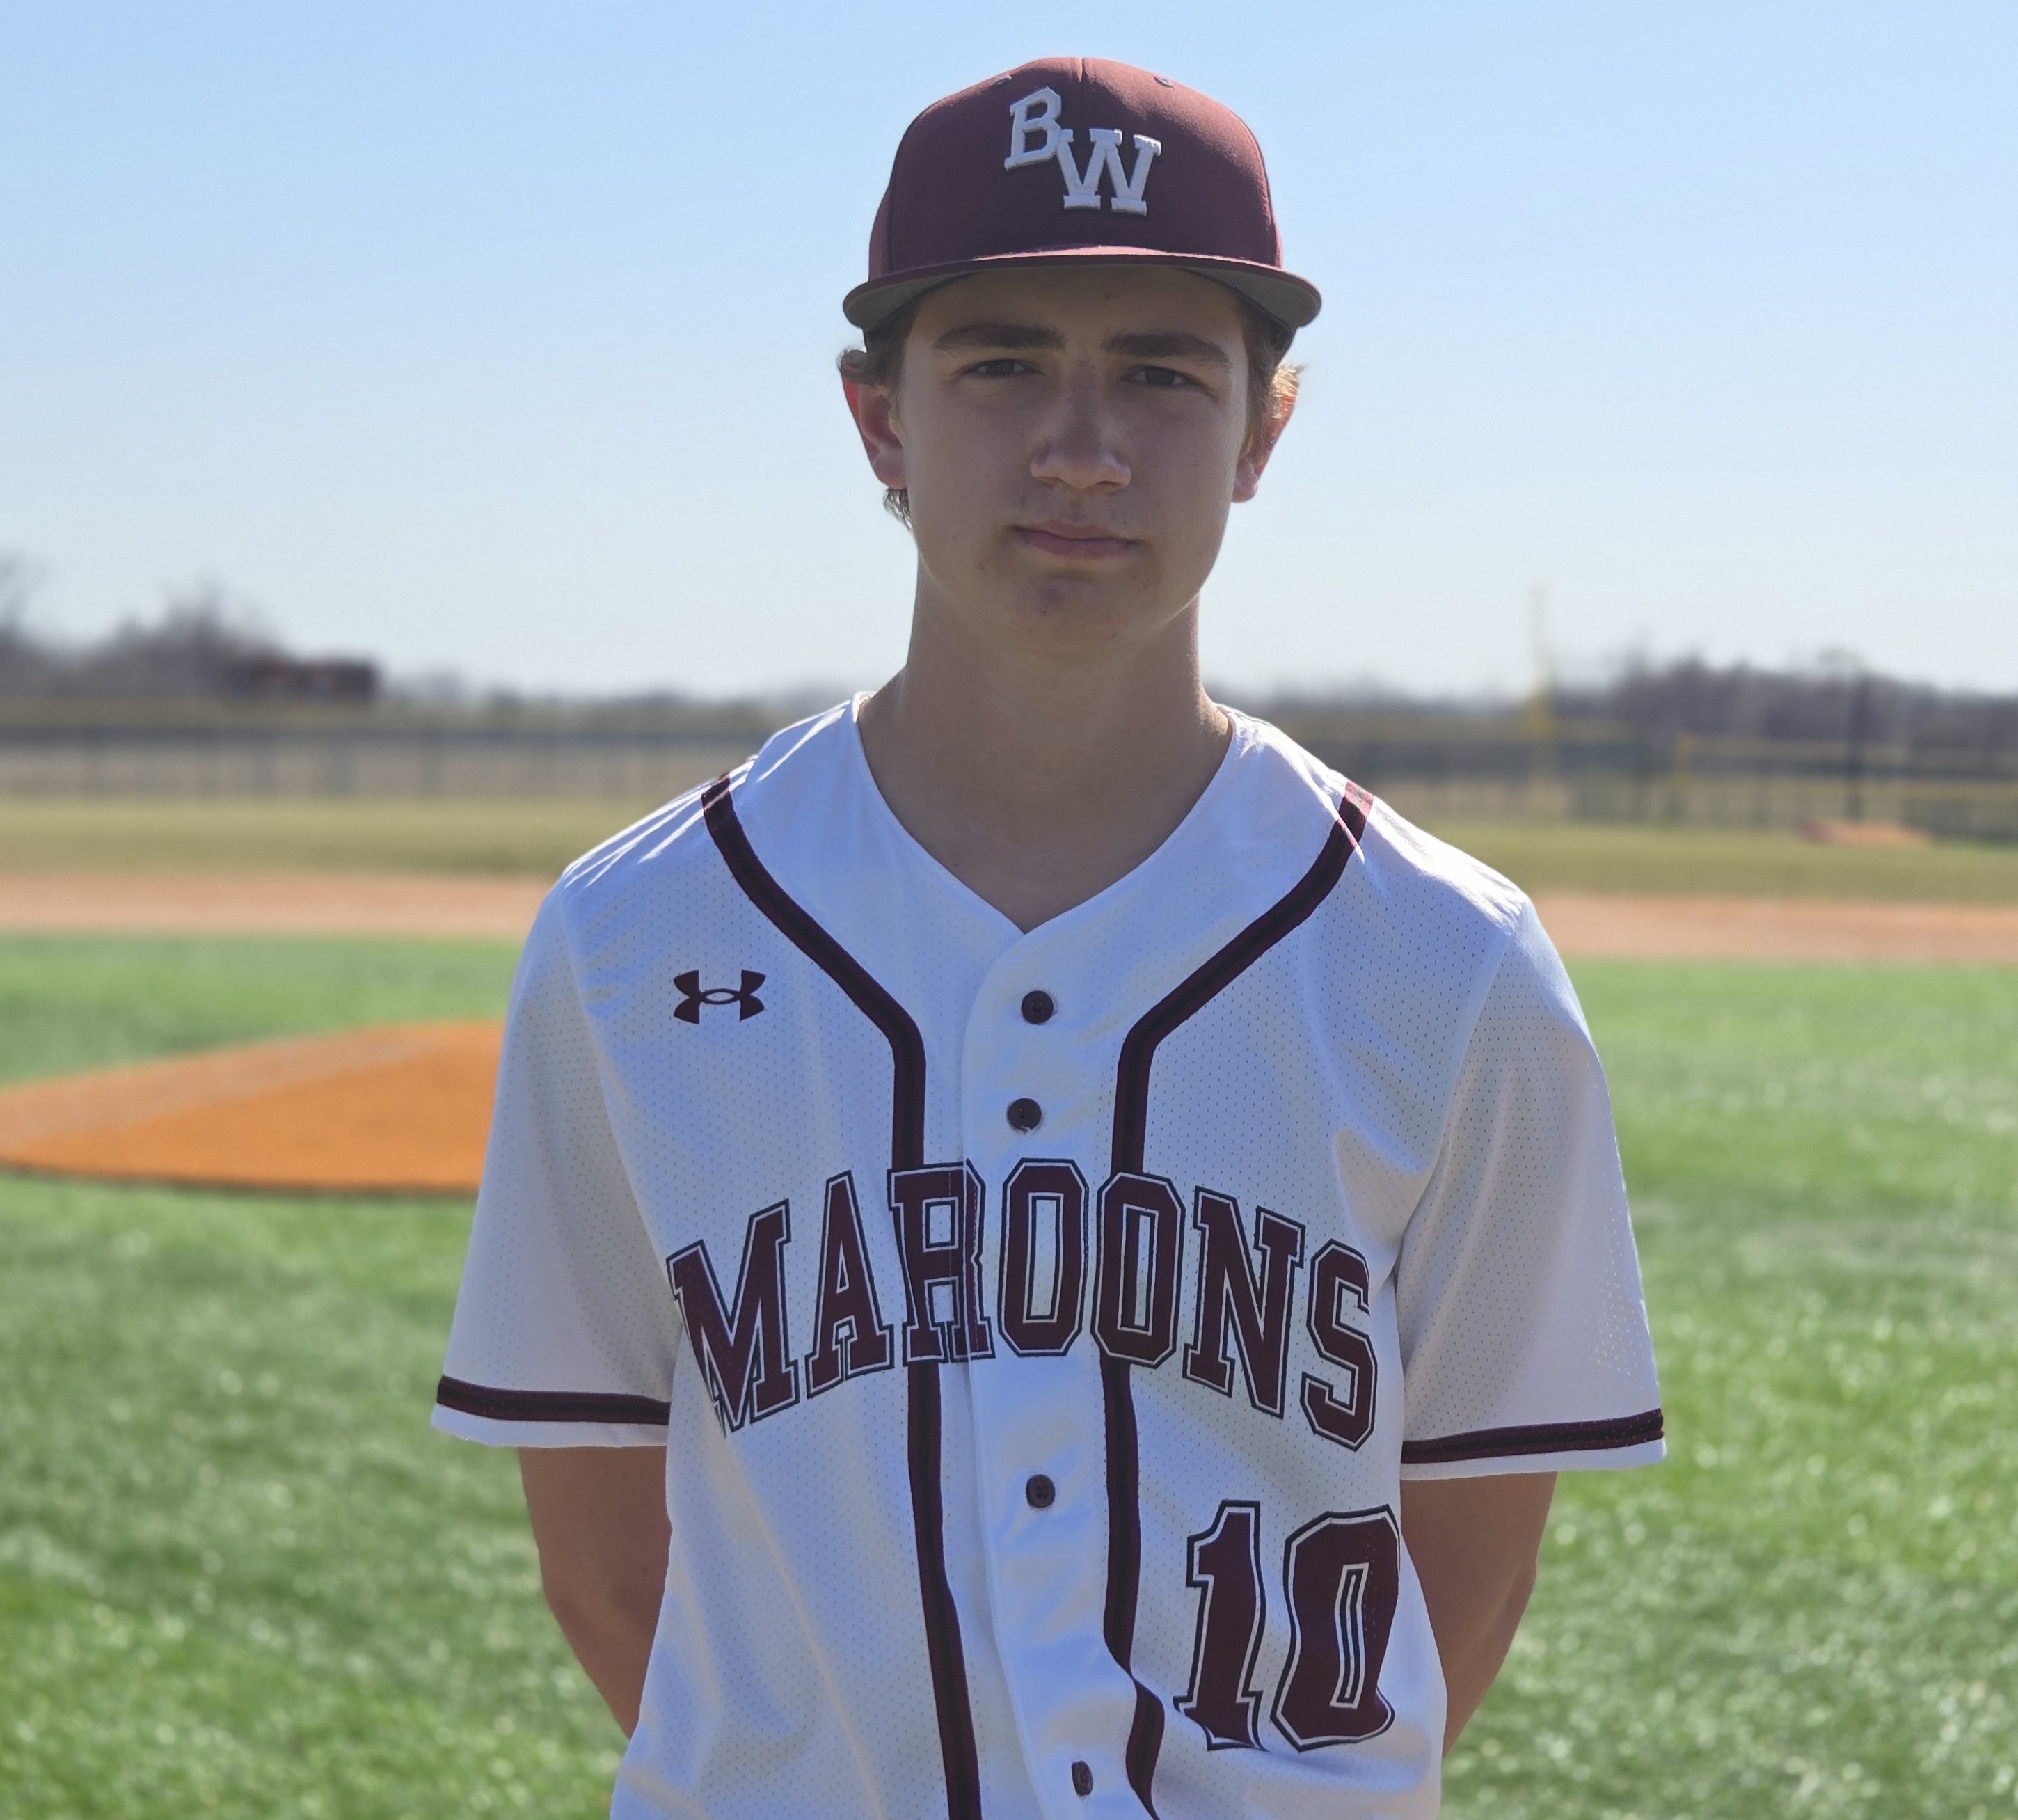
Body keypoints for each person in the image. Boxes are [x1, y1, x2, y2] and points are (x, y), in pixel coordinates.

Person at [432, 56, 1662, 1819]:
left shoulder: (1444, 962)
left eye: (1161, 374)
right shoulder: (637, 938)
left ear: (1262, 432)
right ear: (877, 419)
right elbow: (605, 1567)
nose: (1081, 450)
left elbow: (1465, 1569)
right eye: (1001, 364)